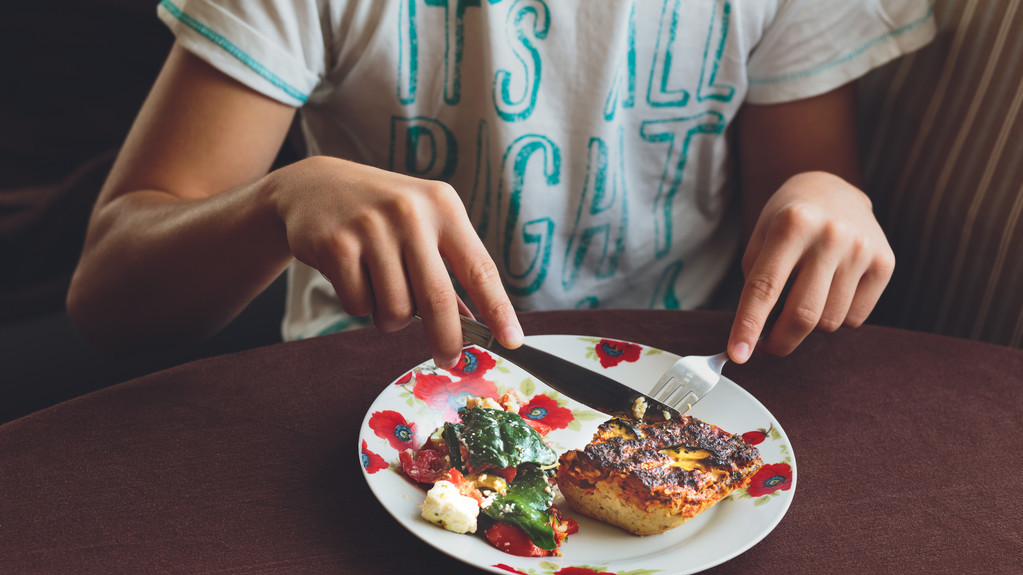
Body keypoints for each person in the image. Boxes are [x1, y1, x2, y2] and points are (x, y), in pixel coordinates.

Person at [66, 0, 936, 370]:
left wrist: (829, 200)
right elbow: (109, 292)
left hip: (669, 385)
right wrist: (277, 201)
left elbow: (802, 196)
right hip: (359, 394)